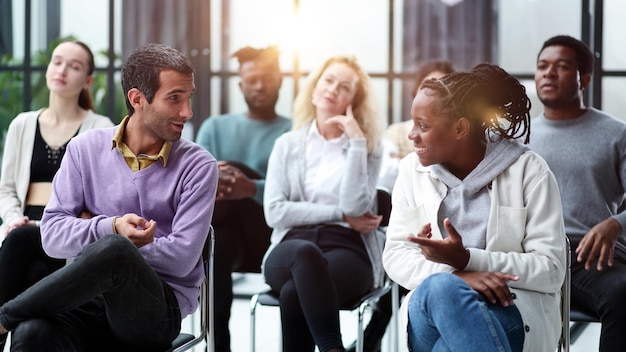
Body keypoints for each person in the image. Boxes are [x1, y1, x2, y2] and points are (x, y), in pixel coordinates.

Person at [0, 43, 218, 351]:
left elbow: (182, 259)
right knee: (31, 333)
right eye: (174, 98)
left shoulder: (199, 166)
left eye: (188, 97)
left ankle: (4, 317)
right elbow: (51, 236)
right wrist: (110, 228)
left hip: (156, 310)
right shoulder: (84, 149)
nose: (187, 112)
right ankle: (12, 322)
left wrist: (111, 247)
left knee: (116, 250)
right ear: (138, 99)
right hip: (91, 301)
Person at [383, 62, 567, 352]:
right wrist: (458, 275)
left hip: (508, 307)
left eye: (423, 126)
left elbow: (551, 269)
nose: (411, 135)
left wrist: (469, 259)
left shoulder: (529, 170)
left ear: (460, 128)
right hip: (429, 309)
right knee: (441, 289)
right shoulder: (410, 171)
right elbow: (395, 254)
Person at [262, 55, 384, 352]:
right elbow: (274, 211)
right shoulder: (287, 144)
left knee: (294, 293)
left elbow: (356, 209)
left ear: (353, 102)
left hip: (347, 250)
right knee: (305, 253)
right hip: (291, 248)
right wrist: (337, 213)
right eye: (328, 80)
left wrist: (356, 144)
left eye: (345, 87)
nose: (333, 89)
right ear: (314, 88)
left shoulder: (367, 147)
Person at [0, 39, 113, 350]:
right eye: (57, 61)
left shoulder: (100, 128)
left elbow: (101, 197)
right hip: (21, 231)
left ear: (88, 80)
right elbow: (7, 189)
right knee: (28, 261)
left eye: (74, 66)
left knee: (22, 244)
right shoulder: (22, 124)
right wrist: (13, 218)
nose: (62, 70)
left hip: (66, 238)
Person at [529, 35, 626, 352]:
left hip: (591, 259)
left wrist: (615, 223)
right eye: (543, 66)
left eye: (562, 67)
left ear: (584, 79)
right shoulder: (519, 138)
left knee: (622, 292)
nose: (549, 73)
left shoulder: (615, 133)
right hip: (534, 256)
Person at [195, 45, 291, 352]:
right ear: (240, 85)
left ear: (280, 81)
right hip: (226, 239)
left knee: (230, 169)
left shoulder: (294, 131)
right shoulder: (215, 127)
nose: (260, 86)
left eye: (267, 78)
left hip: (273, 235)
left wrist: (249, 187)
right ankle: (218, 347)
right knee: (218, 241)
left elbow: (297, 192)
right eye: (252, 79)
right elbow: (195, 186)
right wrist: (225, 184)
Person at [357, 60, 456, 352]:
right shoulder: (400, 132)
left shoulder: (458, 143)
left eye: (446, 86)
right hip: (401, 218)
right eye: (431, 85)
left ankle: (372, 336)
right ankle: (375, 335)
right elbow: (386, 178)